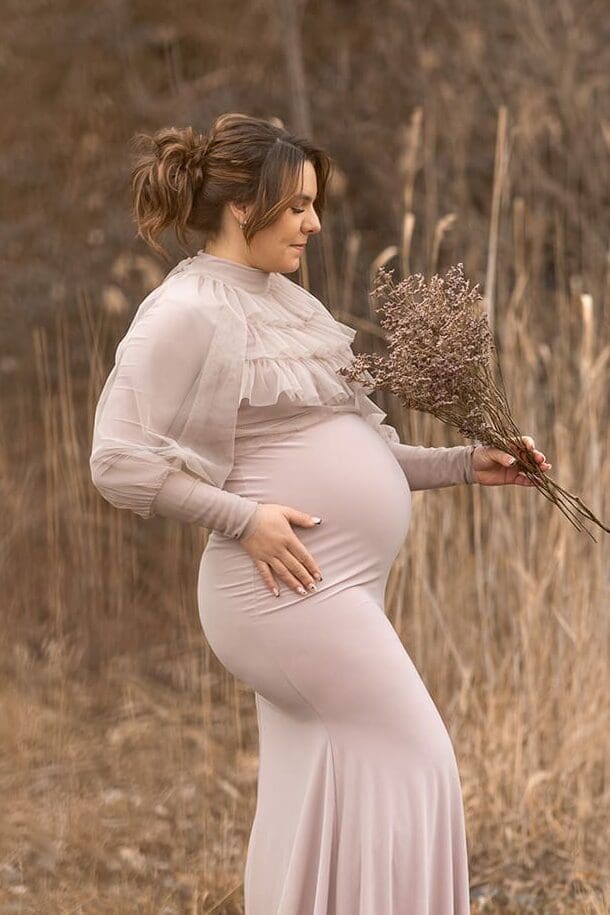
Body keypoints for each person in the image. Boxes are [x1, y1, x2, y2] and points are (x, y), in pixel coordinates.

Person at [89, 112, 551, 914]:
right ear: (244, 206)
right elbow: (117, 460)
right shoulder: (188, 310)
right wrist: (242, 518)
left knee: (318, 780)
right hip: (282, 588)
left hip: (332, 588)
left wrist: (461, 465)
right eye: (298, 205)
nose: (315, 222)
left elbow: (354, 452)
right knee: (419, 757)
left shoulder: (286, 304)